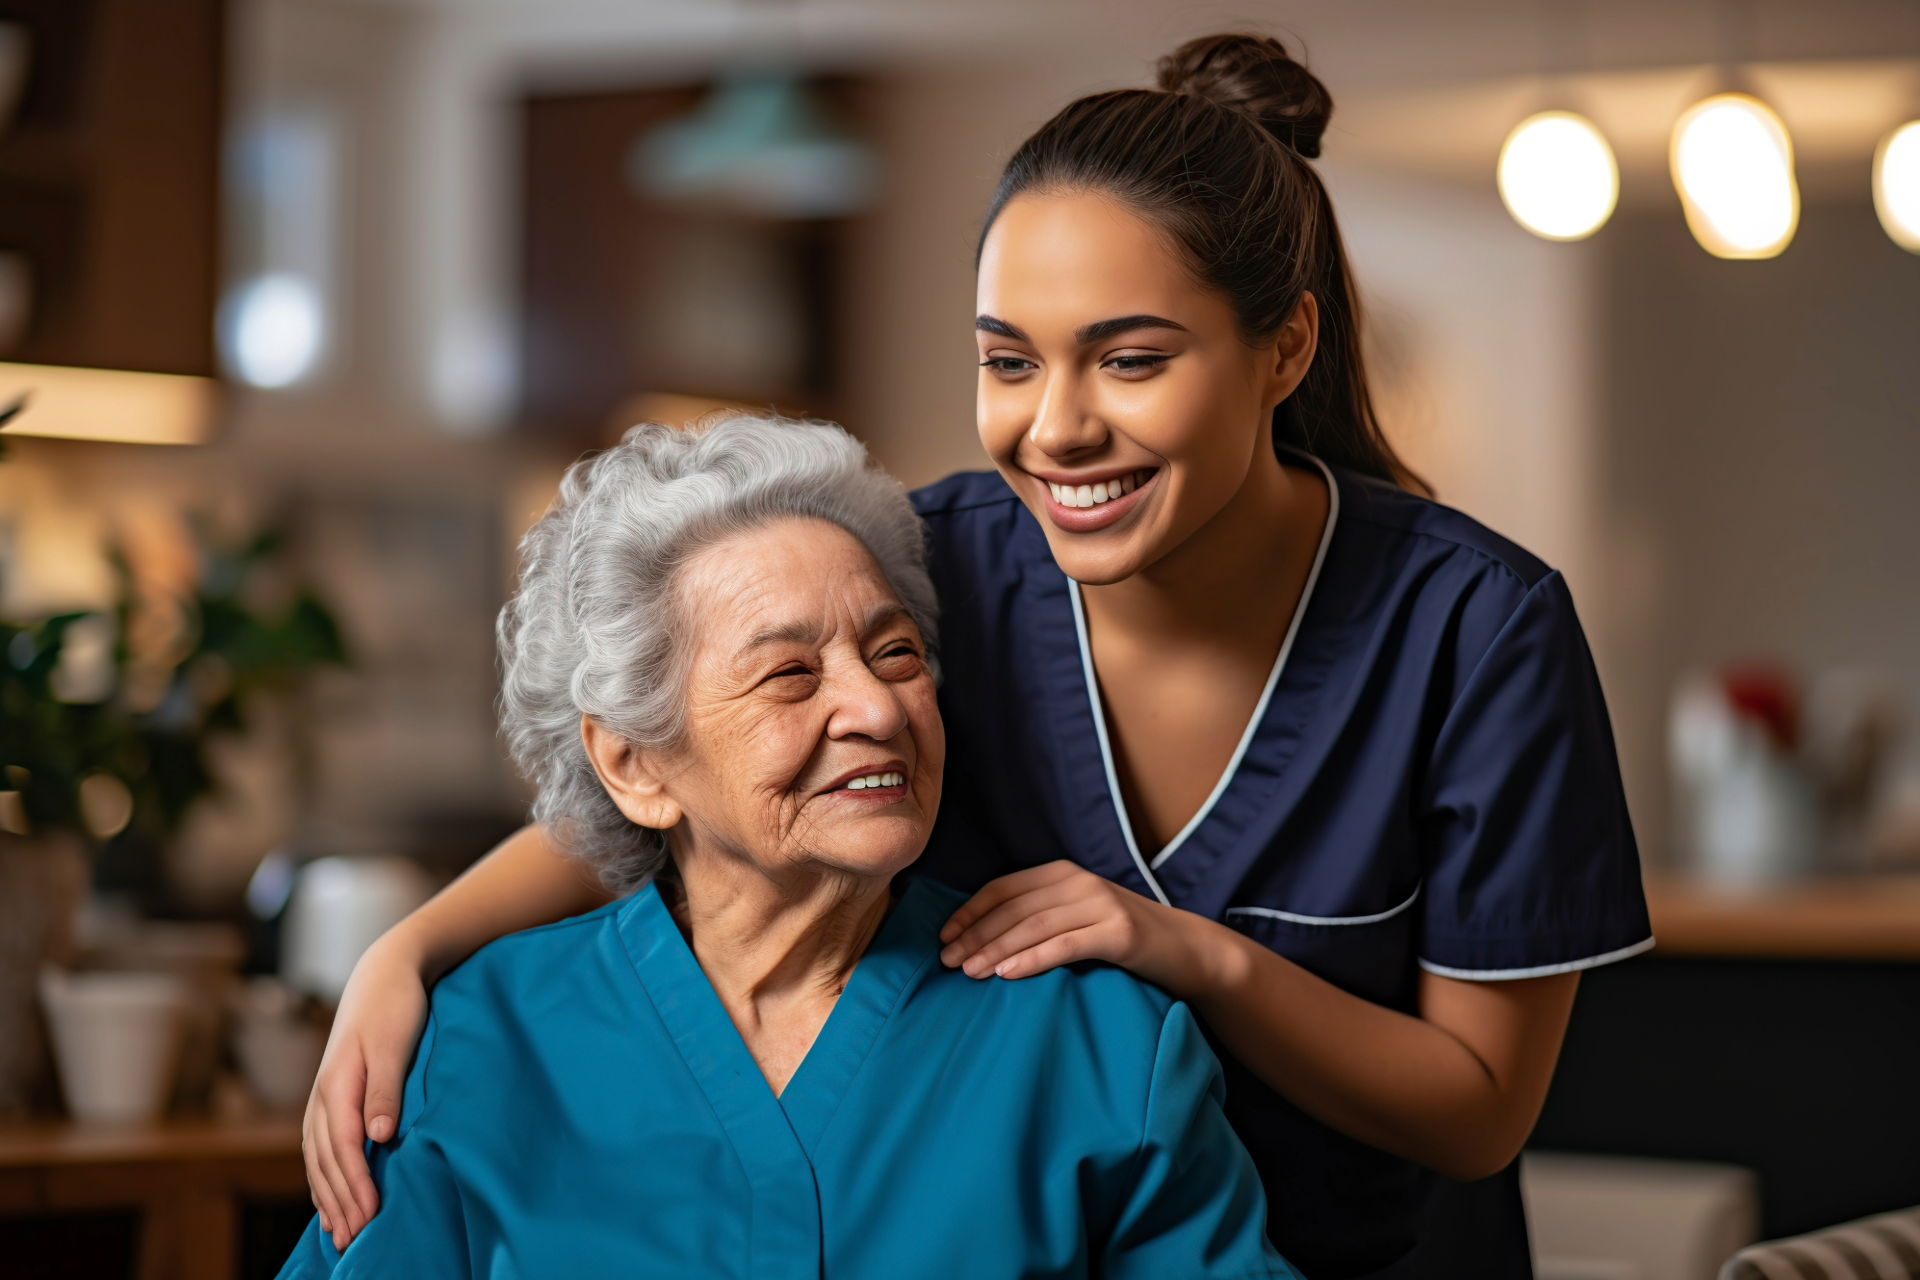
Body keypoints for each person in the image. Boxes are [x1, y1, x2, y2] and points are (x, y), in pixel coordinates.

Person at [303, 34, 1649, 1279]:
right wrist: (409, 951)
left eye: (1130, 360)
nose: (1055, 430)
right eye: (1010, 362)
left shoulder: (1478, 629)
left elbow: (1477, 1112)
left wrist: (1189, 952)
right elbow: (690, 761)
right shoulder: (930, 566)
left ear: (1283, 344)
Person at [279, 417, 1297, 1280]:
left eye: (895, 651)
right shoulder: (478, 1043)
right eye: (791, 674)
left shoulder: (1098, 1041)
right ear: (635, 765)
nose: (877, 707)